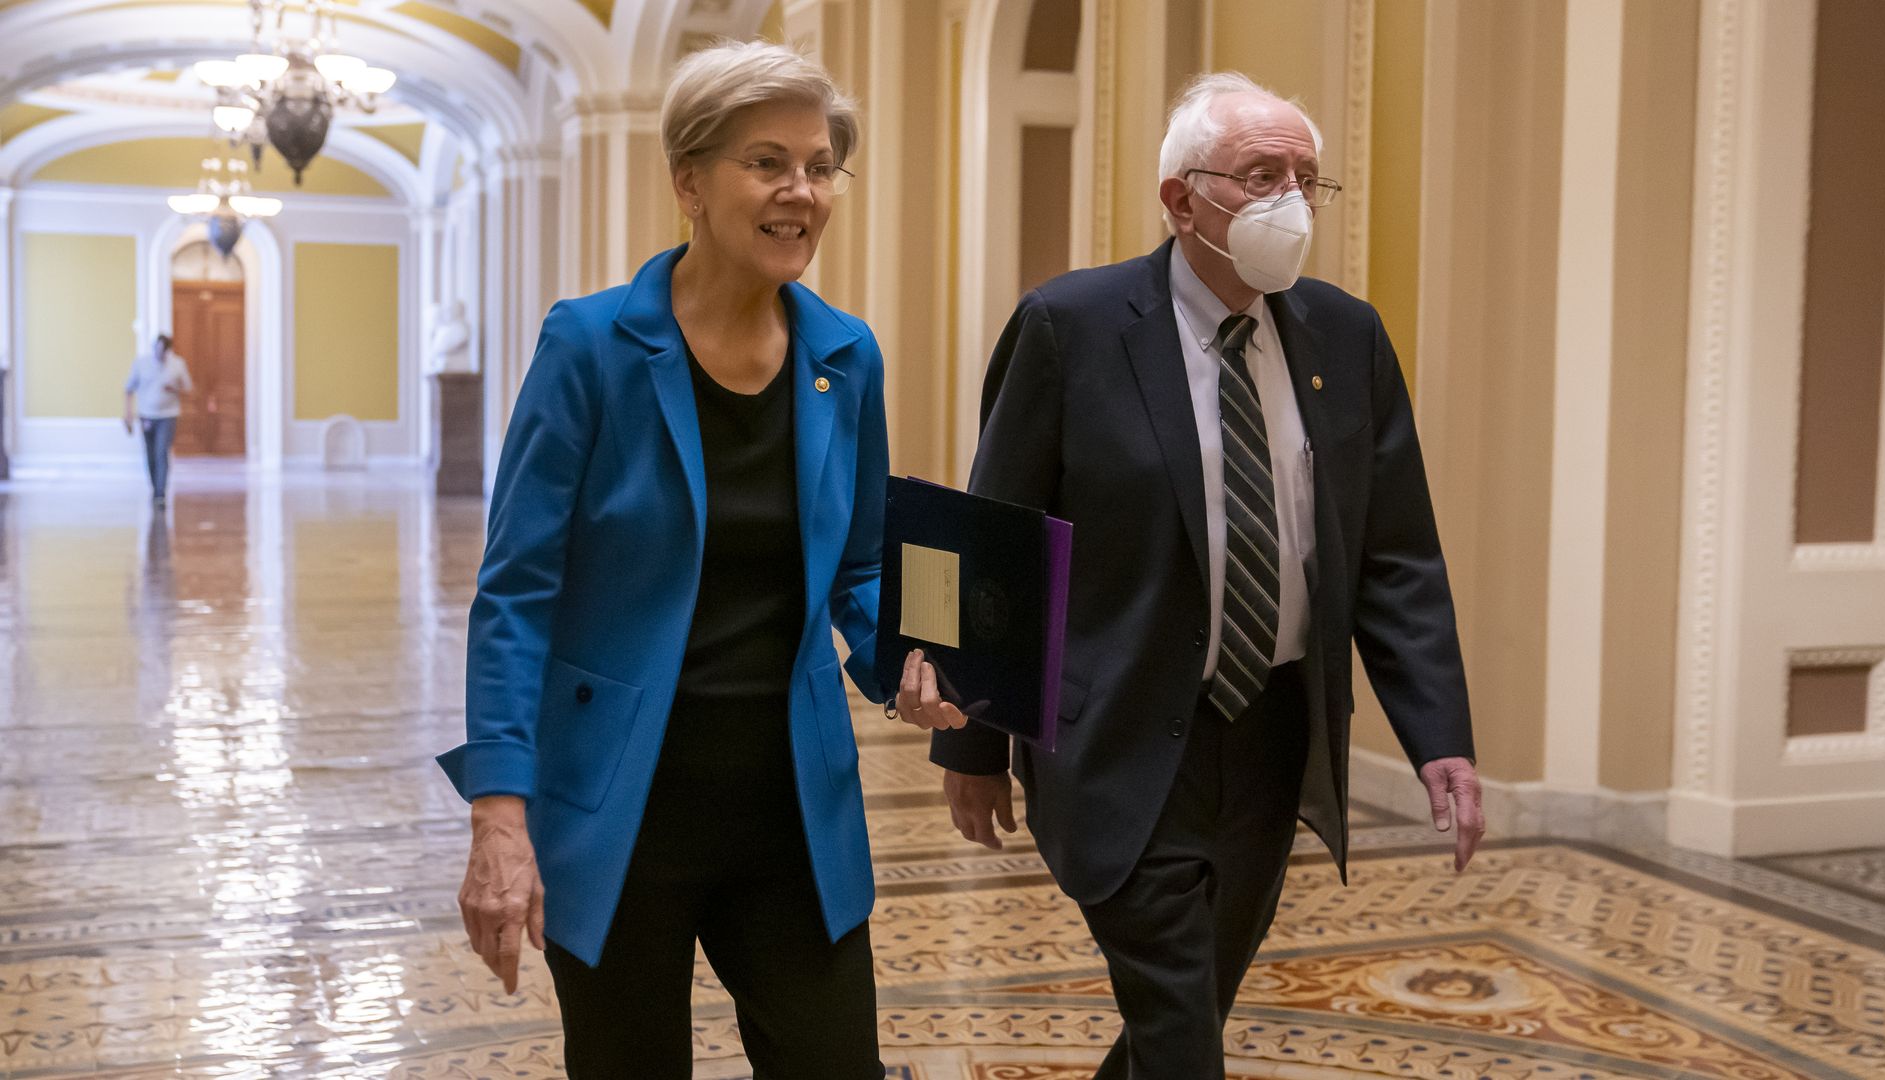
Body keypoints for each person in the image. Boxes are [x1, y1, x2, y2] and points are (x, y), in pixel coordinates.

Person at [930, 72, 1486, 1079]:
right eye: (1260, 175)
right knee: (1182, 1036)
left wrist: (1438, 735)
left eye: (1306, 181)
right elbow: (993, 539)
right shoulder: (1073, 327)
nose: (1288, 203)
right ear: (1180, 199)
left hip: (1271, 735)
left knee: (1180, 1020)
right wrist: (972, 740)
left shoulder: (1346, 337)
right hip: (1119, 731)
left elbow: (1394, 553)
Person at [435, 40, 964, 1079]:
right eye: (767, 162)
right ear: (689, 181)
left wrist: (910, 658)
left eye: (818, 166)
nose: (800, 191)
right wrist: (499, 815)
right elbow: (516, 595)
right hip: (621, 809)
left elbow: (859, 570)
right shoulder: (590, 348)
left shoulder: (844, 356)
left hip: (792, 810)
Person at [123, 333, 192, 503]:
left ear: (168, 351)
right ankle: (154, 487)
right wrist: (128, 413)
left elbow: (189, 389)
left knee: (162, 451)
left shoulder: (177, 365)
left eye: (163, 351)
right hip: (146, 415)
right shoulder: (141, 364)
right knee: (151, 453)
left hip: (168, 415)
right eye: (157, 350)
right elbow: (128, 389)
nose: (159, 354)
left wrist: (174, 389)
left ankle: (161, 492)